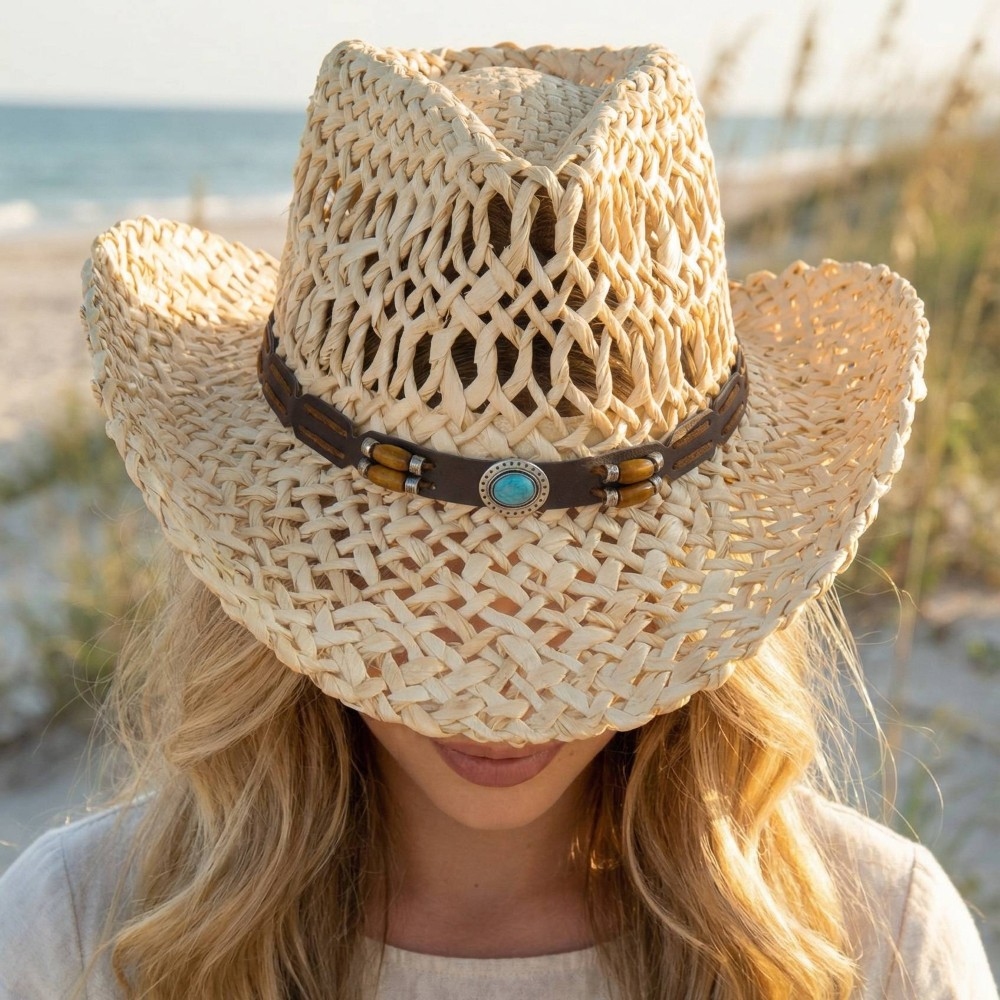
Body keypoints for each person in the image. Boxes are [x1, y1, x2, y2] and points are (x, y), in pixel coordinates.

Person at [0, 39, 995, 1000]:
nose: (507, 649)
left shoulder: (872, 942)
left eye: (592, 570)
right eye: (418, 564)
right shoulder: (86, 930)